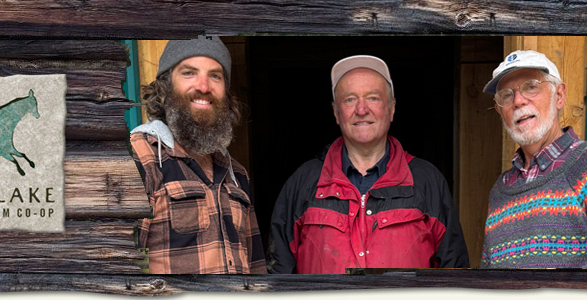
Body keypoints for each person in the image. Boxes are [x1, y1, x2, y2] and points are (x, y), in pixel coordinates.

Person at [268, 55, 469, 274]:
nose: (361, 109)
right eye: (350, 99)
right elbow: (277, 275)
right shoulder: (303, 182)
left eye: (373, 98)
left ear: (391, 109)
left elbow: (455, 274)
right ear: (336, 112)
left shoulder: (427, 180)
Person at [479, 50, 587, 268]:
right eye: (506, 95)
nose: (518, 101)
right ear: (500, 111)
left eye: (531, 87)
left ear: (559, 96)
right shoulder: (501, 191)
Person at [129, 36, 264, 274]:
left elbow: (257, 270)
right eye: (189, 73)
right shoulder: (137, 159)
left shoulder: (237, 175)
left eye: (215, 75)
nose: (203, 86)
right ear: (165, 85)